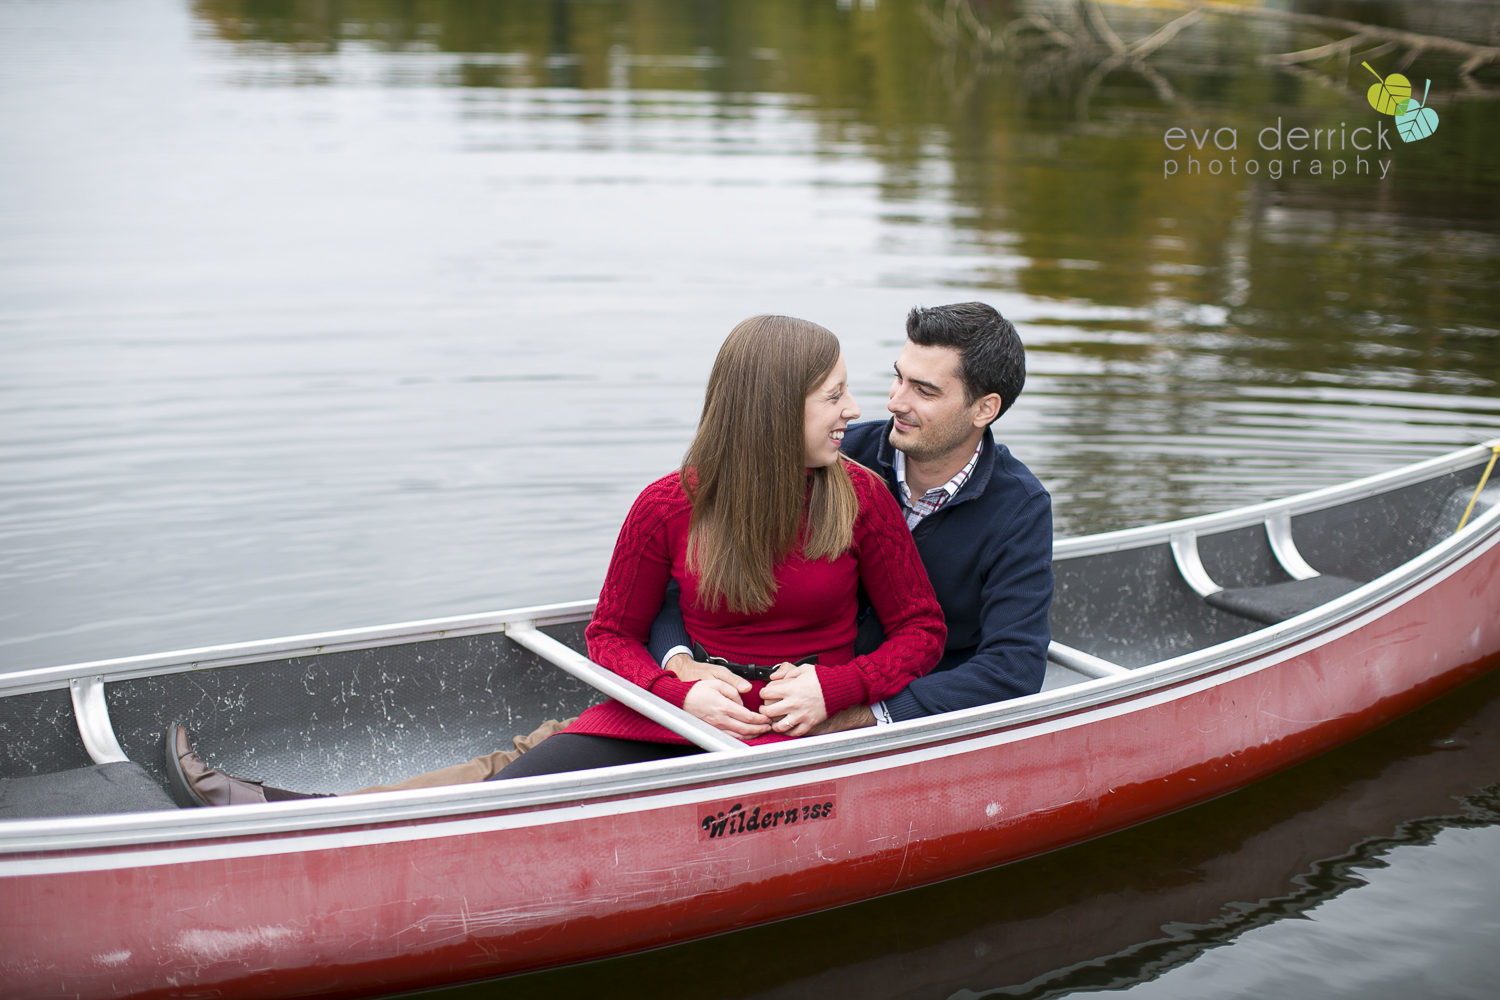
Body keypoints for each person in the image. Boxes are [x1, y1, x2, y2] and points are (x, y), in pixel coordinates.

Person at [165, 314, 946, 805]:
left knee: (525, 772)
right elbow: (610, 635)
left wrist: (832, 688)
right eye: (833, 396)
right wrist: (675, 688)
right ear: (774, 411)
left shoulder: (861, 497)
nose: (855, 411)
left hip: (804, 726)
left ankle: (291, 813)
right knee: (513, 790)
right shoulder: (667, 505)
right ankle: (297, 815)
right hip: (683, 713)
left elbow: (920, 630)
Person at [648, 301, 1051, 734]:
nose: (895, 401)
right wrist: (679, 660)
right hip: (772, 695)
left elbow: (1012, 668)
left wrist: (865, 713)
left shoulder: (1020, 508)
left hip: (911, 715)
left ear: (984, 409)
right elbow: (686, 576)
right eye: (898, 377)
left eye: (924, 391)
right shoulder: (829, 453)